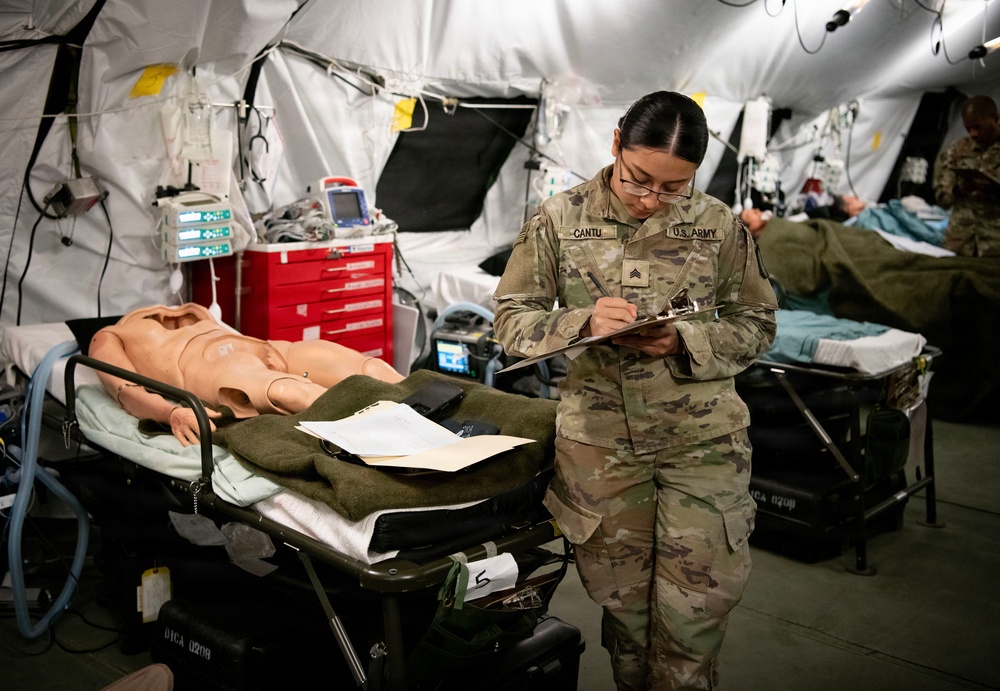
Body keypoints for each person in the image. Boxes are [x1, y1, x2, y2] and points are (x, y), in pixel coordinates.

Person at [493, 92, 777, 690]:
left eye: (673, 188)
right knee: (625, 614)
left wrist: (683, 341)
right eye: (639, 179)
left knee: (694, 613)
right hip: (602, 446)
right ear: (616, 141)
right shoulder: (559, 219)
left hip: (701, 444)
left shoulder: (719, 225)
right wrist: (583, 324)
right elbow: (511, 323)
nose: (650, 199)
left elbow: (758, 325)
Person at [89, 303, 403, 446]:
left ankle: (446, 417)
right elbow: (127, 390)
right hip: (214, 369)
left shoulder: (191, 309)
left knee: (371, 369)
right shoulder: (111, 334)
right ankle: (401, 446)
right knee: (288, 393)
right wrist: (172, 412)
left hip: (268, 349)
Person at [933, 94, 1000, 257]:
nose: (973, 134)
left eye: (978, 127)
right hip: (960, 240)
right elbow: (942, 196)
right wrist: (958, 190)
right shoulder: (958, 149)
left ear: (996, 119)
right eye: (968, 128)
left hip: (995, 243)